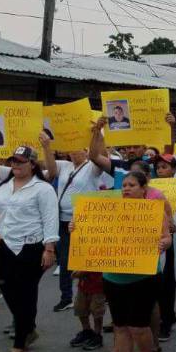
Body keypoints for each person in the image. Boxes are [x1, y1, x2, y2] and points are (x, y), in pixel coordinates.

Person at [0, 146, 59, 352]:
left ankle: (19, 346)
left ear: (32, 164)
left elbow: (50, 218)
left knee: (25, 294)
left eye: (20, 161)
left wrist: (49, 248)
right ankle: (28, 329)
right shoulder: (4, 186)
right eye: (13, 161)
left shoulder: (42, 189)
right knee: (7, 289)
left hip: (31, 246)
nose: (15, 165)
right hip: (3, 244)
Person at [98, 169, 172, 352]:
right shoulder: (110, 210)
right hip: (113, 276)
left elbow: (167, 237)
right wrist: (76, 227)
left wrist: (164, 244)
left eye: (131, 185)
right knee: (120, 325)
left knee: (139, 326)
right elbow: (92, 232)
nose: (127, 188)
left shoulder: (154, 212)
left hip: (143, 276)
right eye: (124, 186)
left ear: (143, 189)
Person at [47, 123, 111, 312]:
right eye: (70, 150)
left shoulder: (92, 167)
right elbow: (48, 167)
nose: (72, 153)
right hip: (63, 220)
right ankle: (66, 296)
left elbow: (99, 155)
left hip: (85, 220)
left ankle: (94, 294)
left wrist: (96, 134)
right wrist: (46, 146)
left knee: (87, 260)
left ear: (85, 150)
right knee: (65, 260)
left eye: (77, 149)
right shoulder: (64, 166)